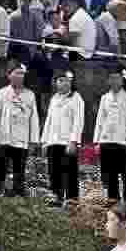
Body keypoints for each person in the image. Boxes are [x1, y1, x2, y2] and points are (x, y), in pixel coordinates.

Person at [0, 64, 38, 198]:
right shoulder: (1, 93)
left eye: (22, 74)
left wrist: (33, 141)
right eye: (17, 73)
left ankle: (18, 191)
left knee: (19, 167)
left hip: (22, 137)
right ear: (9, 75)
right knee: (1, 165)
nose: (20, 76)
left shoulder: (30, 95)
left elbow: (34, 119)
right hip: (4, 137)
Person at [39, 70, 85, 208]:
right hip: (53, 141)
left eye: (66, 80)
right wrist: (45, 141)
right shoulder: (54, 99)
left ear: (71, 82)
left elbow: (78, 121)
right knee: (54, 171)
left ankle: (72, 199)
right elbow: (49, 120)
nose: (63, 83)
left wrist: (74, 141)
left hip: (68, 142)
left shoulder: (76, 98)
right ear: (55, 83)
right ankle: (56, 196)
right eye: (60, 80)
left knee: (70, 171)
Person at [95, 66, 126, 203]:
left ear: (123, 79)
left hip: (123, 140)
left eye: (117, 78)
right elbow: (100, 120)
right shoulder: (105, 97)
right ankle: (113, 197)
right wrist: (97, 141)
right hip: (107, 139)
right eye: (112, 78)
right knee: (110, 171)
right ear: (108, 80)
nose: (114, 81)